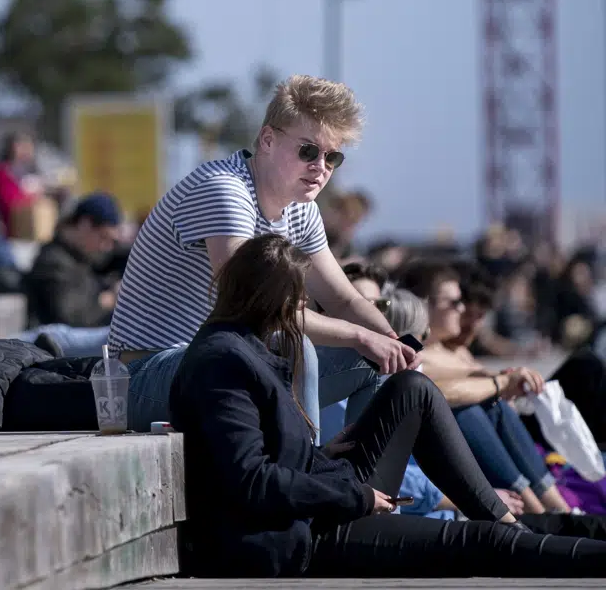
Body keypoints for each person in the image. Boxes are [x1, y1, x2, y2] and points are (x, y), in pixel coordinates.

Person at [170, 234, 606, 579]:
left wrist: (321, 458)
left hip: (315, 505)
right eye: (299, 300)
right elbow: (252, 484)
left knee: (411, 389)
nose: (302, 309)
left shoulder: (242, 349)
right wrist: (354, 495)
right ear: (272, 301)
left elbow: (268, 461)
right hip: (293, 538)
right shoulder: (223, 364)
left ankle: (509, 524)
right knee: (479, 544)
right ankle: (537, 542)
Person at [109, 75, 408, 433]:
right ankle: (309, 475)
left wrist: (393, 343)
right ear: (267, 139)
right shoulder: (224, 190)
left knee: (377, 361)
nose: (321, 167)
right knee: (299, 353)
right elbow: (256, 309)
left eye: (333, 157)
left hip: (218, 364)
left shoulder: (301, 208)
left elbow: (343, 300)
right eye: (309, 151)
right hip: (146, 373)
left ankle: (361, 482)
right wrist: (360, 336)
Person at [399, 260, 575, 514]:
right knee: (471, 408)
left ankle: (555, 513)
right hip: (447, 464)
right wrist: (498, 381)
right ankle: (544, 514)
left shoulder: (451, 350)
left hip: (477, 453)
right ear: (423, 304)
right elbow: (434, 381)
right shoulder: (412, 353)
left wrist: (498, 378)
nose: (462, 311)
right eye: (455, 303)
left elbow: (458, 372)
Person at [20, 192, 121, 353]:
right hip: (48, 347)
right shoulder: (53, 261)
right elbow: (69, 318)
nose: (106, 246)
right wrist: (108, 301)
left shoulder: (77, 257)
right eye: (103, 237)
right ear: (85, 224)